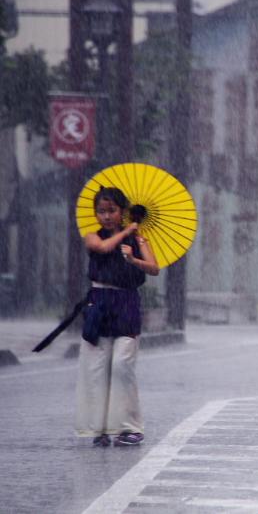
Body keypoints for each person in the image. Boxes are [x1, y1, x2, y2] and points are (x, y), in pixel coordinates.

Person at [76, 187, 159, 447]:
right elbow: (100, 248)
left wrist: (133, 258)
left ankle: (130, 427)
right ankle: (99, 429)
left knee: (122, 366)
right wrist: (126, 232)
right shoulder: (92, 236)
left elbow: (154, 268)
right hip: (99, 304)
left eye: (112, 210)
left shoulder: (139, 240)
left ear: (122, 211)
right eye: (101, 211)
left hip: (126, 303)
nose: (106, 216)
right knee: (96, 368)